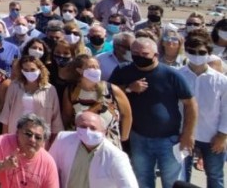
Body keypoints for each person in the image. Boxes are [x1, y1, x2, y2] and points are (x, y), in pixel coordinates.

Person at [109, 37, 198, 188]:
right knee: (142, 179)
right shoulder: (123, 71)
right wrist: (129, 88)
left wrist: (188, 134)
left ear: (155, 55)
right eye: (135, 53)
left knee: (172, 182)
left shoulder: (171, 75)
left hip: (169, 140)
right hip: (138, 137)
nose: (139, 57)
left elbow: (191, 105)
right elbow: (108, 93)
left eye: (144, 54)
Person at [178, 31, 227, 188]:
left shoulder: (221, 81)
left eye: (201, 52)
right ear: (186, 51)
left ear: (209, 53)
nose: (196, 55)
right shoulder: (178, 76)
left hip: (212, 136)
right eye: (192, 52)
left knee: (214, 175)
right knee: (182, 175)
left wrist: (222, 136)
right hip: (183, 134)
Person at [48, 112, 137, 188]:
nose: (87, 131)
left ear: (104, 132)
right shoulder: (63, 139)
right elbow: (48, 168)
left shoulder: (116, 156)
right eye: (83, 126)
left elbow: (128, 185)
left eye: (93, 128)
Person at [61, 54, 131, 149]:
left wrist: (124, 137)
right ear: (79, 70)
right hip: (82, 144)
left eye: (97, 67)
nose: (96, 70)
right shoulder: (71, 91)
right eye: (91, 67)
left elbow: (127, 114)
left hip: (109, 143)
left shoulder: (111, 89)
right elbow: (67, 116)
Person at [0, 113, 59, 188]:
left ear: (43, 142)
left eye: (38, 137)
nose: (32, 140)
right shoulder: (2, 142)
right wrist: (3, 165)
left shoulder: (48, 163)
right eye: (28, 134)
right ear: (17, 132)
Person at [0, 55, 63, 140]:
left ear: (40, 70)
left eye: (32, 70)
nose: (29, 72)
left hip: (39, 138)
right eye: (26, 70)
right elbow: (6, 116)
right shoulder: (14, 86)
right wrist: (5, 140)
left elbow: (56, 120)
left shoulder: (50, 90)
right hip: (16, 135)